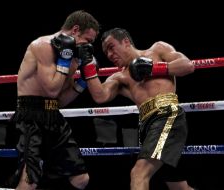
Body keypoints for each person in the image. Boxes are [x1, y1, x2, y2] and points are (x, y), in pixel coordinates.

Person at [76, 28, 195, 190]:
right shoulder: (120, 76)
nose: (110, 55)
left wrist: (153, 68)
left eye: (111, 47)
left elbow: (187, 65)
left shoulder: (157, 49)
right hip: (146, 125)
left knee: (139, 174)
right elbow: (100, 96)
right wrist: (87, 65)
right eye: (106, 52)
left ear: (126, 41)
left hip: (167, 116)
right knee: (178, 187)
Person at [10, 10, 100, 190]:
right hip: (31, 115)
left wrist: (82, 83)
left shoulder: (73, 57)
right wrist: (65, 61)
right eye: (88, 41)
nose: (88, 47)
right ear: (75, 30)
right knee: (29, 180)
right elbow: (51, 89)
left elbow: (60, 100)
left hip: (54, 115)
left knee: (80, 179)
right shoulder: (43, 45)